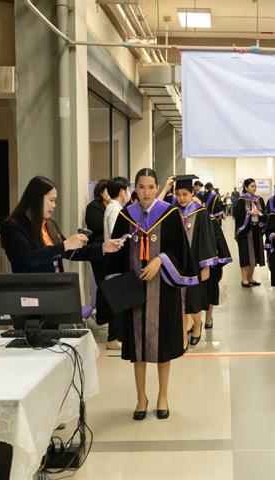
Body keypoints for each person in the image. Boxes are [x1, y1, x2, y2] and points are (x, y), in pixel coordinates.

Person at [107, 168, 198, 421]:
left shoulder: (168, 214)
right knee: (137, 347)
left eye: (150, 187)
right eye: (141, 186)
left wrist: (160, 259)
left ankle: (162, 395)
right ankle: (141, 397)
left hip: (163, 288)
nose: (145, 192)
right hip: (135, 289)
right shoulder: (127, 215)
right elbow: (115, 252)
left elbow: (180, 251)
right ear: (134, 189)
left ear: (157, 188)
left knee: (163, 346)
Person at [0, 176, 122, 274]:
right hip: (32, 293)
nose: (54, 205)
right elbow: (29, 258)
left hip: (55, 289)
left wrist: (103, 248)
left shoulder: (50, 224)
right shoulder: (13, 227)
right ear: (37, 199)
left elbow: (71, 252)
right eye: (51, 200)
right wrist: (64, 246)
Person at [173, 175, 217, 348]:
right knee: (180, 302)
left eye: (185, 194)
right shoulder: (173, 212)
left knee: (194, 300)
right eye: (178, 194)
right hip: (177, 265)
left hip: (195, 264)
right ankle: (183, 335)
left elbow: (207, 240)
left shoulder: (201, 212)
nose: (181, 198)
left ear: (192, 193)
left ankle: (197, 326)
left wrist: (206, 266)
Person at [102, 176, 131, 350]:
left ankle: (118, 336)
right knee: (118, 301)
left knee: (122, 300)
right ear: (122, 191)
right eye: (127, 190)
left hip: (117, 259)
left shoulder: (115, 208)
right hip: (116, 259)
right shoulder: (115, 210)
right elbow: (117, 235)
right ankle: (113, 338)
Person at [201, 182, 233, 329]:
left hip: (209, 262)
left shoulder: (211, 220)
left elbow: (219, 242)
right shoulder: (183, 219)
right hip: (191, 264)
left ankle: (208, 317)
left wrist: (216, 261)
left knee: (210, 291)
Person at [85, 179, 111, 327]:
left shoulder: (114, 206)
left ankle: (106, 315)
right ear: (101, 192)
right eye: (107, 190)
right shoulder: (93, 207)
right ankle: (102, 317)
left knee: (108, 283)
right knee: (102, 284)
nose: (109, 193)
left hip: (110, 250)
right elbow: (96, 225)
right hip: (97, 250)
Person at [233, 178, 266, 287]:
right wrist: (249, 213)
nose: (254, 188)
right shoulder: (241, 200)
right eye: (251, 186)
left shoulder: (259, 199)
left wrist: (262, 221)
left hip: (256, 231)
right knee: (245, 255)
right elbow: (237, 216)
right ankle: (244, 279)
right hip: (245, 232)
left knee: (254, 255)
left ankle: (251, 278)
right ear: (246, 187)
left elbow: (264, 213)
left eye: (255, 186)